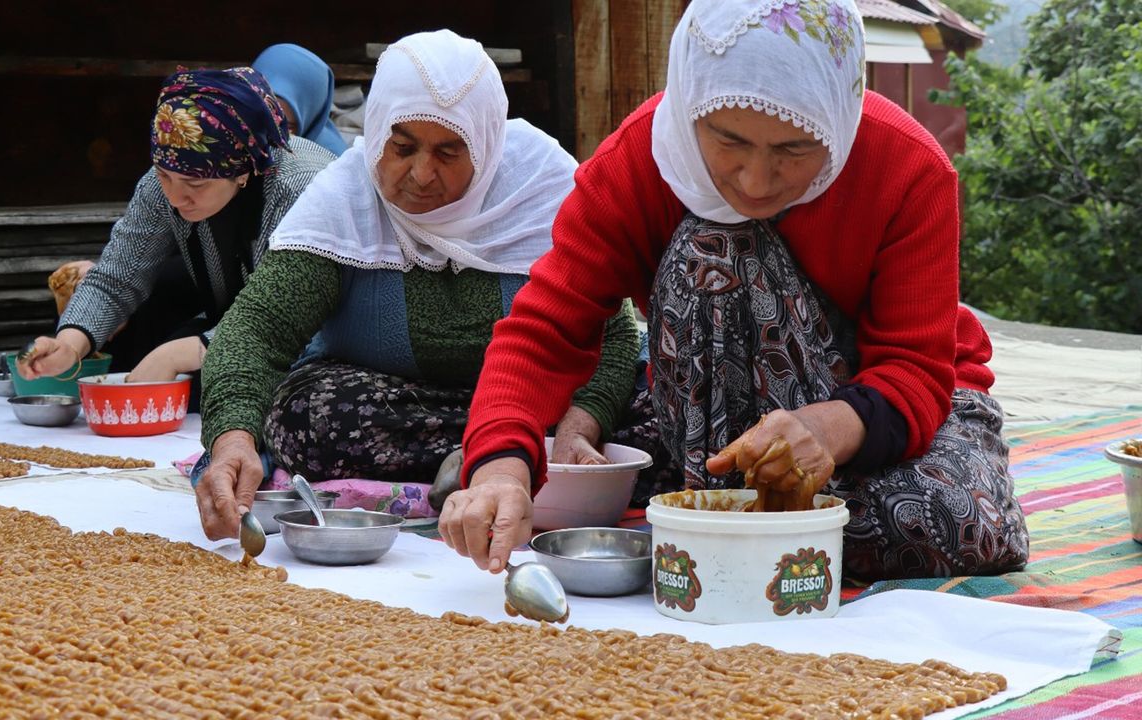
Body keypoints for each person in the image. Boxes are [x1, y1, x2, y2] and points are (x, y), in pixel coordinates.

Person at [441, 0, 1030, 581]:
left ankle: (718, 513)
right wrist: (500, 472)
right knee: (714, 243)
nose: (756, 180)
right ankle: (728, 499)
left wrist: (822, 430)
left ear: (837, 118)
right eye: (729, 141)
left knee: (953, 525)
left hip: (885, 417)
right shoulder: (640, 160)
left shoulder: (908, 166)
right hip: (719, 422)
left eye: (794, 149)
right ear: (690, 105)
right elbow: (545, 330)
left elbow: (914, 369)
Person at [194, 30, 639, 540]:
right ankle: (494, 461)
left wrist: (579, 429)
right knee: (309, 415)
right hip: (394, 407)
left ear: (486, 144)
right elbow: (255, 332)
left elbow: (614, 334)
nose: (422, 174)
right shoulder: (344, 201)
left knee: (664, 417)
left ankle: (502, 458)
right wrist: (232, 442)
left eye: (449, 152)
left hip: (536, 410)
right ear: (377, 131)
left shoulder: (543, 190)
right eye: (402, 147)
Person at [17, 67, 337, 400]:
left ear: (242, 171)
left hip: (317, 340)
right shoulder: (168, 178)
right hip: (233, 328)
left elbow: (287, 315)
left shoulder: (300, 188)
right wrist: (69, 345)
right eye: (164, 176)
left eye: (195, 184)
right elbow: (117, 276)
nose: (175, 197)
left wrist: (176, 355)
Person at [252, 43, 350, 156]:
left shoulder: (329, 162)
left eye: (286, 127)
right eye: (260, 117)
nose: (268, 134)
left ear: (310, 120)